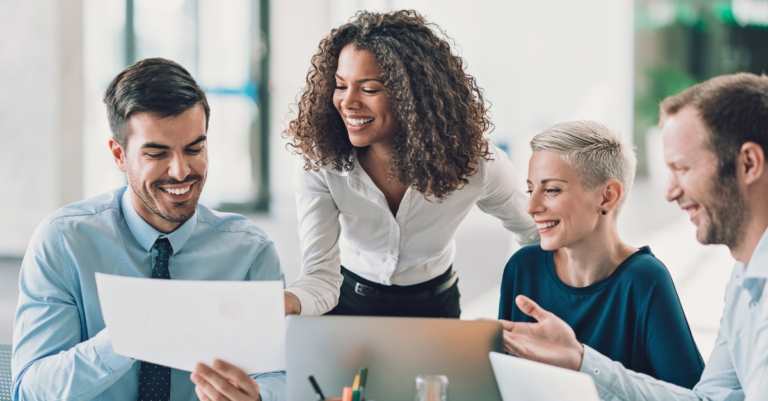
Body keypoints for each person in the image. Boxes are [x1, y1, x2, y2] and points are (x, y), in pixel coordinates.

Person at [11, 58, 285, 401]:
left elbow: (279, 374)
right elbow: (30, 390)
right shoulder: (63, 242)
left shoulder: (250, 252)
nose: (181, 171)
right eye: (157, 153)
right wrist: (128, 336)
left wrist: (260, 397)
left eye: (194, 148)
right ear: (119, 154)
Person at [499, 73, 768, 400]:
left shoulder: (646, 278)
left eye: (682, 168)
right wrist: (581, 363)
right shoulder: (744, 281)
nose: (669, 192)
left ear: (749, 164)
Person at [282, 10, 539, 318]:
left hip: (434, 306)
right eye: (340, 85)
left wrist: (518, 300)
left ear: (411, 96)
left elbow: (535, 234)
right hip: (347, 300)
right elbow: (320, 277)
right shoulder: (321, 162)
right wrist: (289, 302)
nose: (347, 102)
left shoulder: (476, 164)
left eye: (369, 89)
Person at [499, 120, 704, 388]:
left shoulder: (644, 280)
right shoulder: (523, 267)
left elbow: (688, 393)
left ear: (607, 197)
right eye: (530, 189)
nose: (531, 206)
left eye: (551, 190)